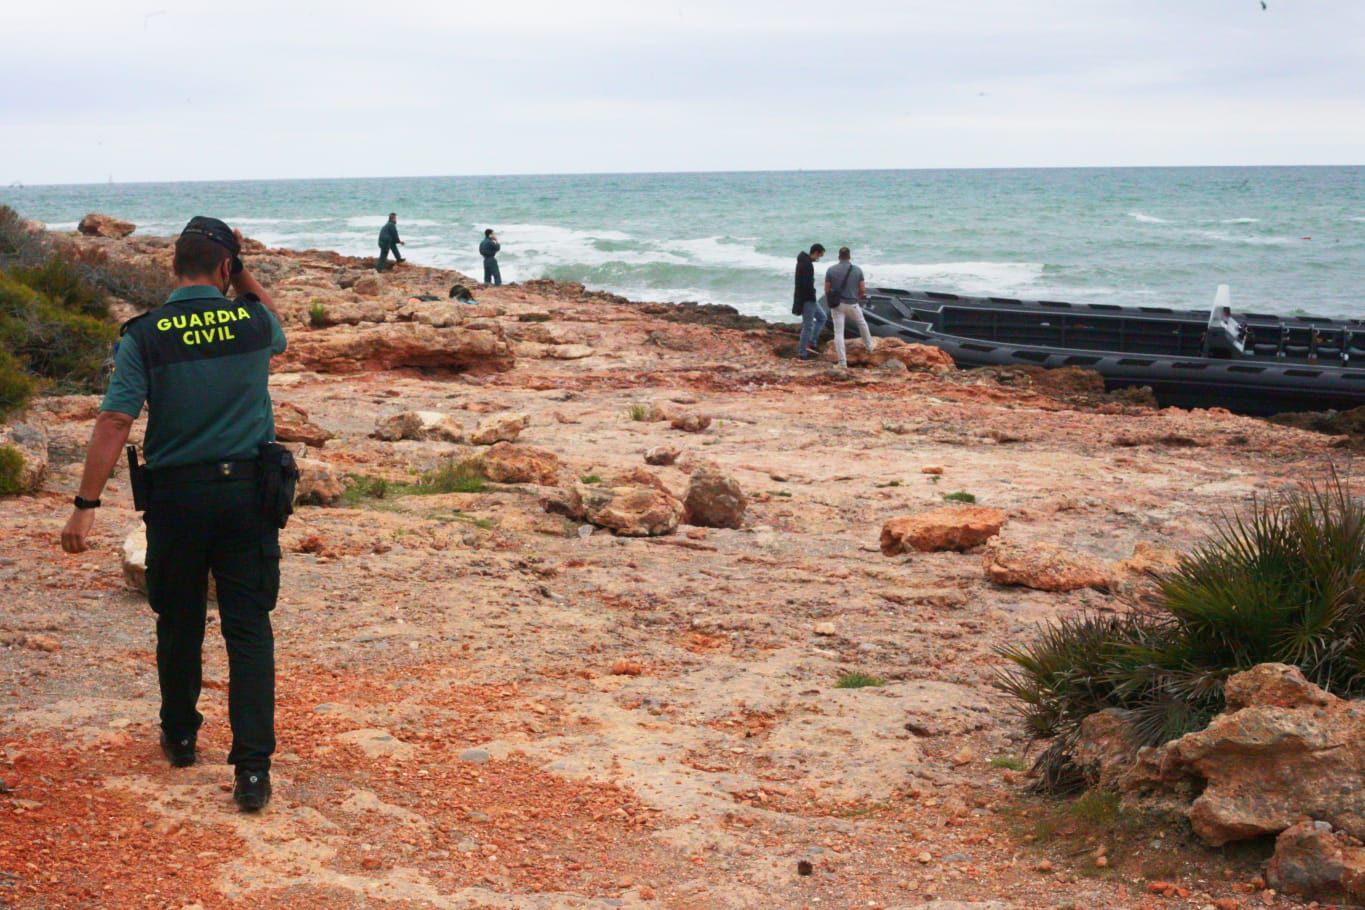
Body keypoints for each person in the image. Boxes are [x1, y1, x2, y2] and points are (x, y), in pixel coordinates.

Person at [60, 216, 289, 813]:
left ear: (173, 267)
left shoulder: (144, 334)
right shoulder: (253, 321)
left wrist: (86, 505)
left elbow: (116, 419)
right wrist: (244, 276)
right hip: (248, 494)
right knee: (248, 628)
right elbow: (280, 329)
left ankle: (181, 736)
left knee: (179, 619)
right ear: (226, 267)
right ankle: (253, 770)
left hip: (177, 498)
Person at [824, 246, 875, 368]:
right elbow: (862, 289)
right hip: (852, 304)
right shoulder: (857, 270)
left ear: (839, 257)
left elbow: (826, 290)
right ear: (849, 256)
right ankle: (869, 347)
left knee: (838, 333)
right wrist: (856, 297)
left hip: (837, 305)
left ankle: (842, 362)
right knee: (862, 323)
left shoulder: (831, 270)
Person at [794, 243, 826, 360]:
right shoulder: (807, 265)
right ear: (816, 252)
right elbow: (806, 285)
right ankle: (802, 353)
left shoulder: (804, 262)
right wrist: (811, 296)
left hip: (809, 298)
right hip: (807, 299)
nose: (819, 259)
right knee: (808, 325)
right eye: (820, 256)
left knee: (822, 317)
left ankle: (812, 342)